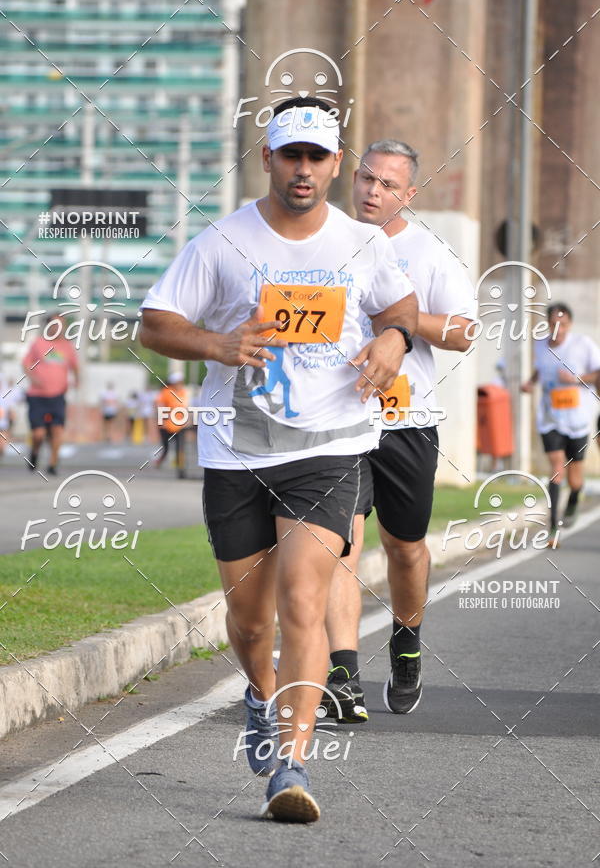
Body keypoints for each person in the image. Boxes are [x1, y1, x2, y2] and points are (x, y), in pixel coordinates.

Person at [140, 98, 417, 822]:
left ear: (335, 164)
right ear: (267, 157)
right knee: (250, 622)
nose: (303, 169)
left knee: (303, 600)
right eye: (291, 154)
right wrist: (218, 344)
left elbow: (401, 308)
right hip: (238, 447)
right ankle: (261, 694)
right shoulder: (222, 242)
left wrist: (395, 340)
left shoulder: (362, 242)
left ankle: (292, 764)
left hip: (329, 446)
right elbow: (155, 323)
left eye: (316, 157)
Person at [324, 139, 476, 721]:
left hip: (405, 420)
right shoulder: (325, 241)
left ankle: (406, 641)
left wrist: (401, 319)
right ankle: (342, 672)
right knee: (340, 542)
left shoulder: (429, 253)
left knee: (404, 548)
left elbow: (463, 332)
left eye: (388, 184)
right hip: (337, 416)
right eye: (366, 178)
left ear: (409, 194)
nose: (373, 191)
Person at [521, 303, 600, 541]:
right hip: (550, 417)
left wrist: (575, 379)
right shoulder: (540, 345)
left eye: (563, 325)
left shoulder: (582, 345)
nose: (559, 329)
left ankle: (574, 497)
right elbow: (540, 369)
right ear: (547, 324)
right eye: (554, 324)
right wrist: (531, 382)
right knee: (556, 468)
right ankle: (553, 526)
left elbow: (598, 373)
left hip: (577, 419)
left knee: (575, 480)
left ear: (570, 325)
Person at [22, 313, 78, 475]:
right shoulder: (38, 343)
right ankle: (34, 453)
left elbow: (75, 366)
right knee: (38, 434)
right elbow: (26, 364)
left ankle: (53, 463)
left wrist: (77, 380)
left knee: (57, 430)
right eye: (55, 324)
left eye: (62, 325)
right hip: (37, 395)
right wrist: (33, 378)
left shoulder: (67, 346)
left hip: (58, 396)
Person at [155, 371, 189, 479]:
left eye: (181, 381)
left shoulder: (183, 392)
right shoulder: (166, 392)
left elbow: (185, 407)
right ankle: (159, 462)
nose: (180, 383)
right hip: (166, 426)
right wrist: (163, 421)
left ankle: (181, 471)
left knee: (180, 449)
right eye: (178, 382)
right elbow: (159, 406)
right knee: (166, 449)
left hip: (179, 426)